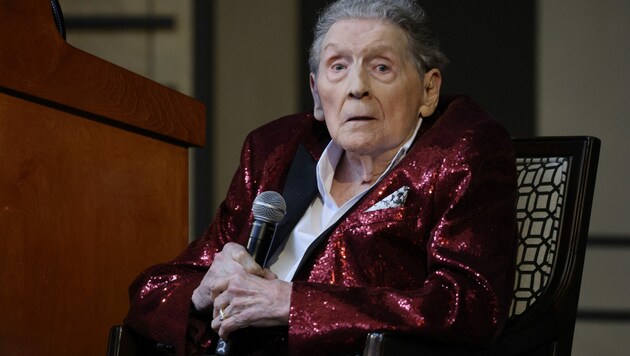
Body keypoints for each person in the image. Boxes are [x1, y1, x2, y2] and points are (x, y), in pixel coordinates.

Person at [125, 0, 518, 355]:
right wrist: (202, 292)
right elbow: (152, 292)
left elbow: (470, 304)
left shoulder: (463, 151)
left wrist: (292, 304)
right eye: (338, 67)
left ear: (428, 90)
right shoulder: (275, 150)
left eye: (381, 67)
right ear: (316, 93)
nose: (357, 88)